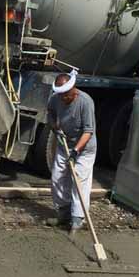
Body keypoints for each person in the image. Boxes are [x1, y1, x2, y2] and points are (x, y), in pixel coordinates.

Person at [47, 70, 97, 232]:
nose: (63, 98)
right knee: (57, 177)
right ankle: (63, 212)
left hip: (84, 148)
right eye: (60, 95)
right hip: (64, 143)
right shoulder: (56, 99)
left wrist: (75, 151)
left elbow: (88, 131)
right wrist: (54, 127)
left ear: (73, 89)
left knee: (79, 181)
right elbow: (50, 114)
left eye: (65, 95)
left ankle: (77, 218)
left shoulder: (85, 102)